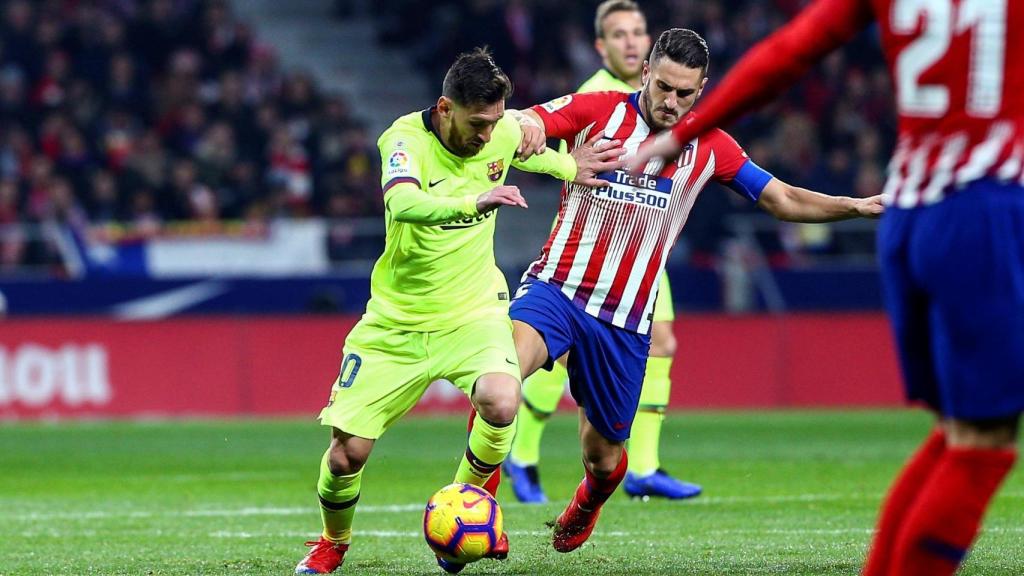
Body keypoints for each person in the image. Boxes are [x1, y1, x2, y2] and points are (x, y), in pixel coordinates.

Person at [629, 2, 1022, 575]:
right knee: (984, 443)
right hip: (979, 209)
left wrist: (684, 132)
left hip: (911, 211)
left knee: (959, 431)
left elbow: (787, 52)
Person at [512, 28, 883, 553]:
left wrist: (854, 205)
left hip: (624, 320)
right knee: (500, 383)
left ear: (702, 88)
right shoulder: (599, 110)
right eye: (663, 86)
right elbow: (532, 118)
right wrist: (524, 125)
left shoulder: (710, 145)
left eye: (685, 93)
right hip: (558, 288)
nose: (671, 101)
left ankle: (587, 504)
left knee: (604, 459)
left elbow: (782, 199)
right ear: (645, 73)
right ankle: (471, 501)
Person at [293, 48, 623, 575]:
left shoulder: (499, 131)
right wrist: (475, 202)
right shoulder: (404, 140)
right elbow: (402, 204)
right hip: (396, 320)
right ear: (445, 108)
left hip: (473, 310)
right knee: (344, 455)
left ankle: (464, 510)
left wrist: (568, 165)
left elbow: (525, 147)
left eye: (495, 123)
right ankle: (334, 541)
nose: (487, 136)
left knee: (501, 400)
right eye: (477, 124)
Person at [502, 0, 702, 505]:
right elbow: (534, 133)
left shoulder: (670, 102)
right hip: (594, 245)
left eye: (637, 32)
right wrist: (565, 162)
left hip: (646, 249)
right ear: (601, 46)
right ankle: (521, 453)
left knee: (664, 342)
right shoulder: (598, 96)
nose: (631, 42)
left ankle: (644, 466)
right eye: (619, 35)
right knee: (561, 354)